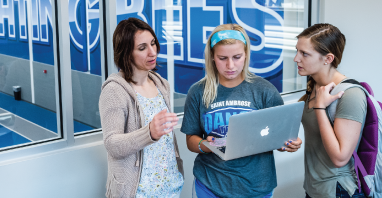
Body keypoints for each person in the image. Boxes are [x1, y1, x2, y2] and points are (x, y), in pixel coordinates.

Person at [181, 23, 302, 198]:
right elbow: (191, 140)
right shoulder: (198, 91)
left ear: (246, 55)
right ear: (212, 57)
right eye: (222, 58)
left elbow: (278, 136)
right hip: (210, 185)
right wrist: (206, 146)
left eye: (237, 57)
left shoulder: (265, 91)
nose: (230, 65)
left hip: (256, 187)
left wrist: (289, 144)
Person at [99, 17, 184, 198]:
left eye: (153, 43)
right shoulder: (115, 90)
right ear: (126, 53)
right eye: (142, 48)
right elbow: (112, 144)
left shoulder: (162, 84)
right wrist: (149, 133)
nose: (152, 52)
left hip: (170, 186)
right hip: (137, 191)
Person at [294, 23, 367, 198]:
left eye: (304, 54)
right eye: (297, 51)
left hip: (339, 191)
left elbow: (340, 158)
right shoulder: (314, 86)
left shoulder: (350, 95)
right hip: (314, 189)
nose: (296, 58)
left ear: (328, 58)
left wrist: (319, 107)